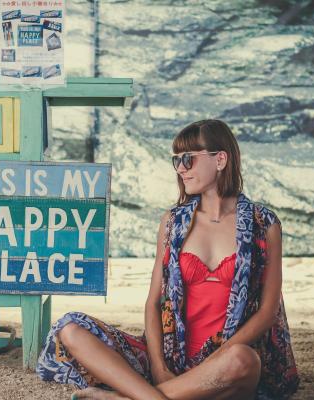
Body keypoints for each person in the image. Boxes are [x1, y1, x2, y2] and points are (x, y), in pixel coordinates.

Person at [36, 119, 300, 400]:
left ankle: (127, 397)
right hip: (172, 355)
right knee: (71, 328)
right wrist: (159, 367)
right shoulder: (173, 222)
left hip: (225, 362)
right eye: (176, 160)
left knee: (243, 359)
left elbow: (268, 311)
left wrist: (213, 363)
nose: (180, 168)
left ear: (220, 159)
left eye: (188, 159)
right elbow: (153, 302)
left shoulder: (264, 223)